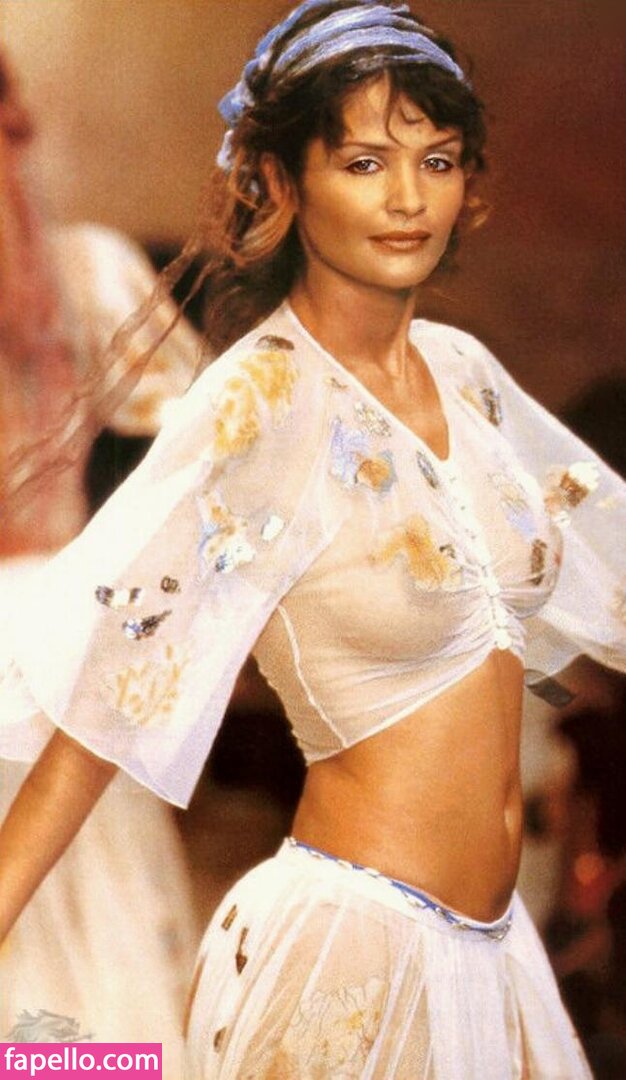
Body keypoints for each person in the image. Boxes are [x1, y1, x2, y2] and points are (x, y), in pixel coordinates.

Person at [0, 2, 626, 1076]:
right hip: (350, 959)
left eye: (434, 160)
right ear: (281, 183)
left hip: (500, 958)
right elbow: (100, 711)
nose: (406, 199)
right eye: (363, 162)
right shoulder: (259, 404)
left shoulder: (466, 376)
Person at [0, 51, 199, 1072]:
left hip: (63, 643)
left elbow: (214, 448)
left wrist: (143, 604)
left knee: (88, 956)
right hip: (50, 633)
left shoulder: (85, 272)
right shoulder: (85, 272)